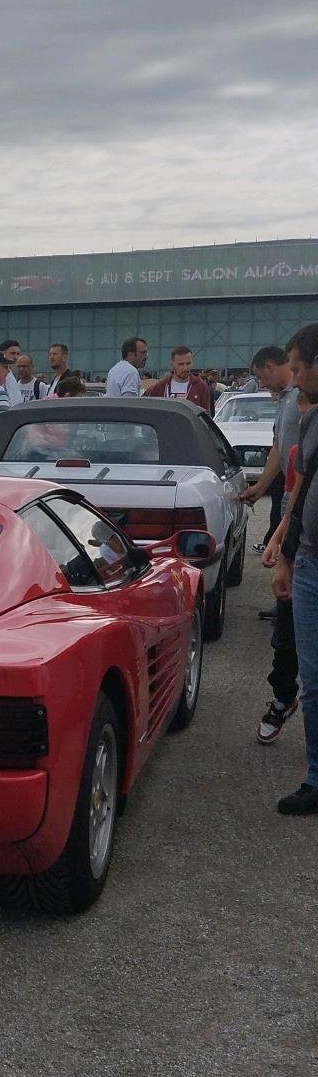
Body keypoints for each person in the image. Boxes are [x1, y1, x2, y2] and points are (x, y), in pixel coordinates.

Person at [268, 323, 318, 814]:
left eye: (301, 369)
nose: (296, 379)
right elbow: (300, 489)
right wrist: (284, 548)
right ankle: (315, 778)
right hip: (309, 564)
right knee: (314, 678)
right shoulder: (309, 419)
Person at [240, 346, 300, 547]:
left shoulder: (303, 395)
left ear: (269, 367)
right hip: (290, 488)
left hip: (303, 490)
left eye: (261, 377)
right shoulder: (285, 398)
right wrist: (261, 487)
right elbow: (277, 447)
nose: (262, 384)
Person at [144, 346, 212, 413]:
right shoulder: (160, 387)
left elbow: (206, 417)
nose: (185, 368)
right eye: (181, 364)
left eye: (188, 363)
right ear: (172, 364)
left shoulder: (201, 387)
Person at [0, 338, 23, 405]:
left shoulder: (11, 374)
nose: (16, 357)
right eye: (13, 353)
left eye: (18, 354)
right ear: (2, 354)